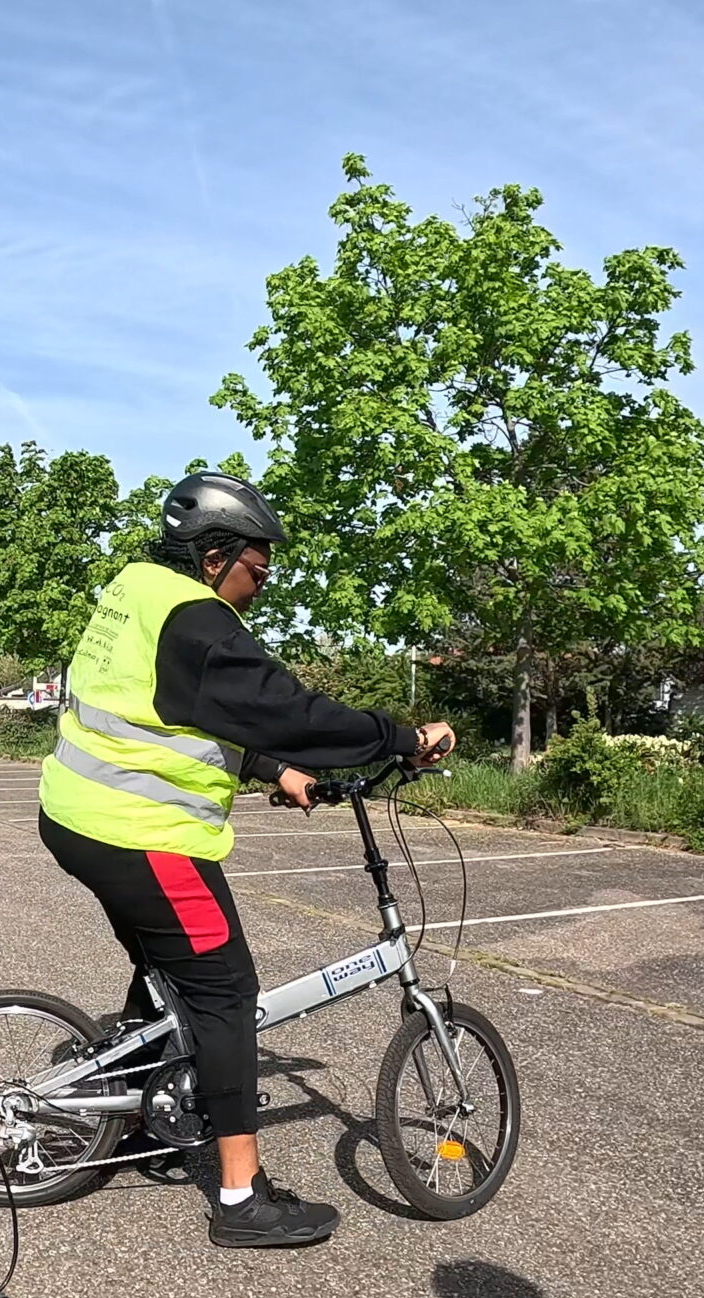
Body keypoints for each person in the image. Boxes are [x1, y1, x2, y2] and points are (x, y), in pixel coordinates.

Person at [36, 470, 451, 1248]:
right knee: (226, 990)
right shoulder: (197, 620)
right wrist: (402, 737)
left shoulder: (139, 588)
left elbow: (171, 705)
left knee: (171, 973)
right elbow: (287, 710)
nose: (260, 585)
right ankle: (238, 1197)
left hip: (80, 816)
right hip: (140, 833)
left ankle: (130, 1107)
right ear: (216, 553)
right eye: (257, 570)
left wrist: (269, 768)